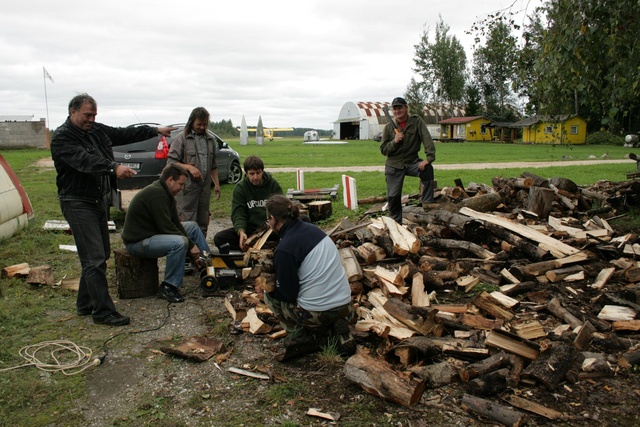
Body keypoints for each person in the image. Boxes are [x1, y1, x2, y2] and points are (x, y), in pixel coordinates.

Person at [50, 93, 176, 326]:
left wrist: (155, 131)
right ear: (72, 111)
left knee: (99, 255)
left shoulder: (95, 130)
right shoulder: (62, 138)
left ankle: (85, 304)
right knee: (95, 258)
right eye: (87, 115)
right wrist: (113, 167)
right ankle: (103, 312)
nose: (91, 119)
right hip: (77, 202)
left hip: (98, 200)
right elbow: (84, 161)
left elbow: (122, 132)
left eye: (94, 115)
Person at [262, 195, 355, 361]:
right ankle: (336, 329)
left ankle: (301, 334)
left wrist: (270, 288)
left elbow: (288, 294)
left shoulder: (285, 249)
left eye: (267, 219)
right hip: (346, 307)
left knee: (268, 294)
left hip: (317, 313)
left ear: (272, 218)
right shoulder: (314, 230)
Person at [122, 164, 210, 303]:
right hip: (138, 242)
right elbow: (166, 227)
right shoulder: (157, 194)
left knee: (192, 226)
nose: (182, 188)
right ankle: (169, 286)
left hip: (153, 234)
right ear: (170, 180)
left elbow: (175, 223)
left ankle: (208, 265)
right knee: (179, 243)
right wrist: (191, 246)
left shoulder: (166, 193)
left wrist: (194, 252)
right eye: (180, 184)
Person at [380, 96, 436, 224]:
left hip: (411, 162)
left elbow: (427, 139)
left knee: (427, 169)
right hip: (393, 165)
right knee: (393, 197)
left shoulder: (416, 122)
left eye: (399, 108)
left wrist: (429, 158)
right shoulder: (389, 128)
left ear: (406, 108)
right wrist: (394, 141)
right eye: (394, 109)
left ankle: (427, 203)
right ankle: (396, 223)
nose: (397, 111)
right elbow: (383, 150)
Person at [167, 107, 221, 236]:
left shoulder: (210, 140)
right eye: (199, 124)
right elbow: (171, 162)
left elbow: (213, 165)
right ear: (191, 122)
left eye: (204, 124)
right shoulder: (181, 139)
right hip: (187, 189)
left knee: (203, 219)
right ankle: (187, 251)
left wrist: (217, 185)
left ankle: (201, 252)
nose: (202, 127)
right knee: (187, 221)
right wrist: (189, 167)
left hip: (204, 188)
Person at [214, 155, 283, 252]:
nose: (255, 177)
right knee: (219, 238)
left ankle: (264, 245)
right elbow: (238, 213)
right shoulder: (241, 188)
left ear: (262, 171)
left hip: (270, 228)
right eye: (252, 174)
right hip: (250, 229)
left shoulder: (272, 184)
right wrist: (241, 231)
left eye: (258, 173)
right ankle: (252, 246)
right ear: (246, 173)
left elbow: (280, 207)